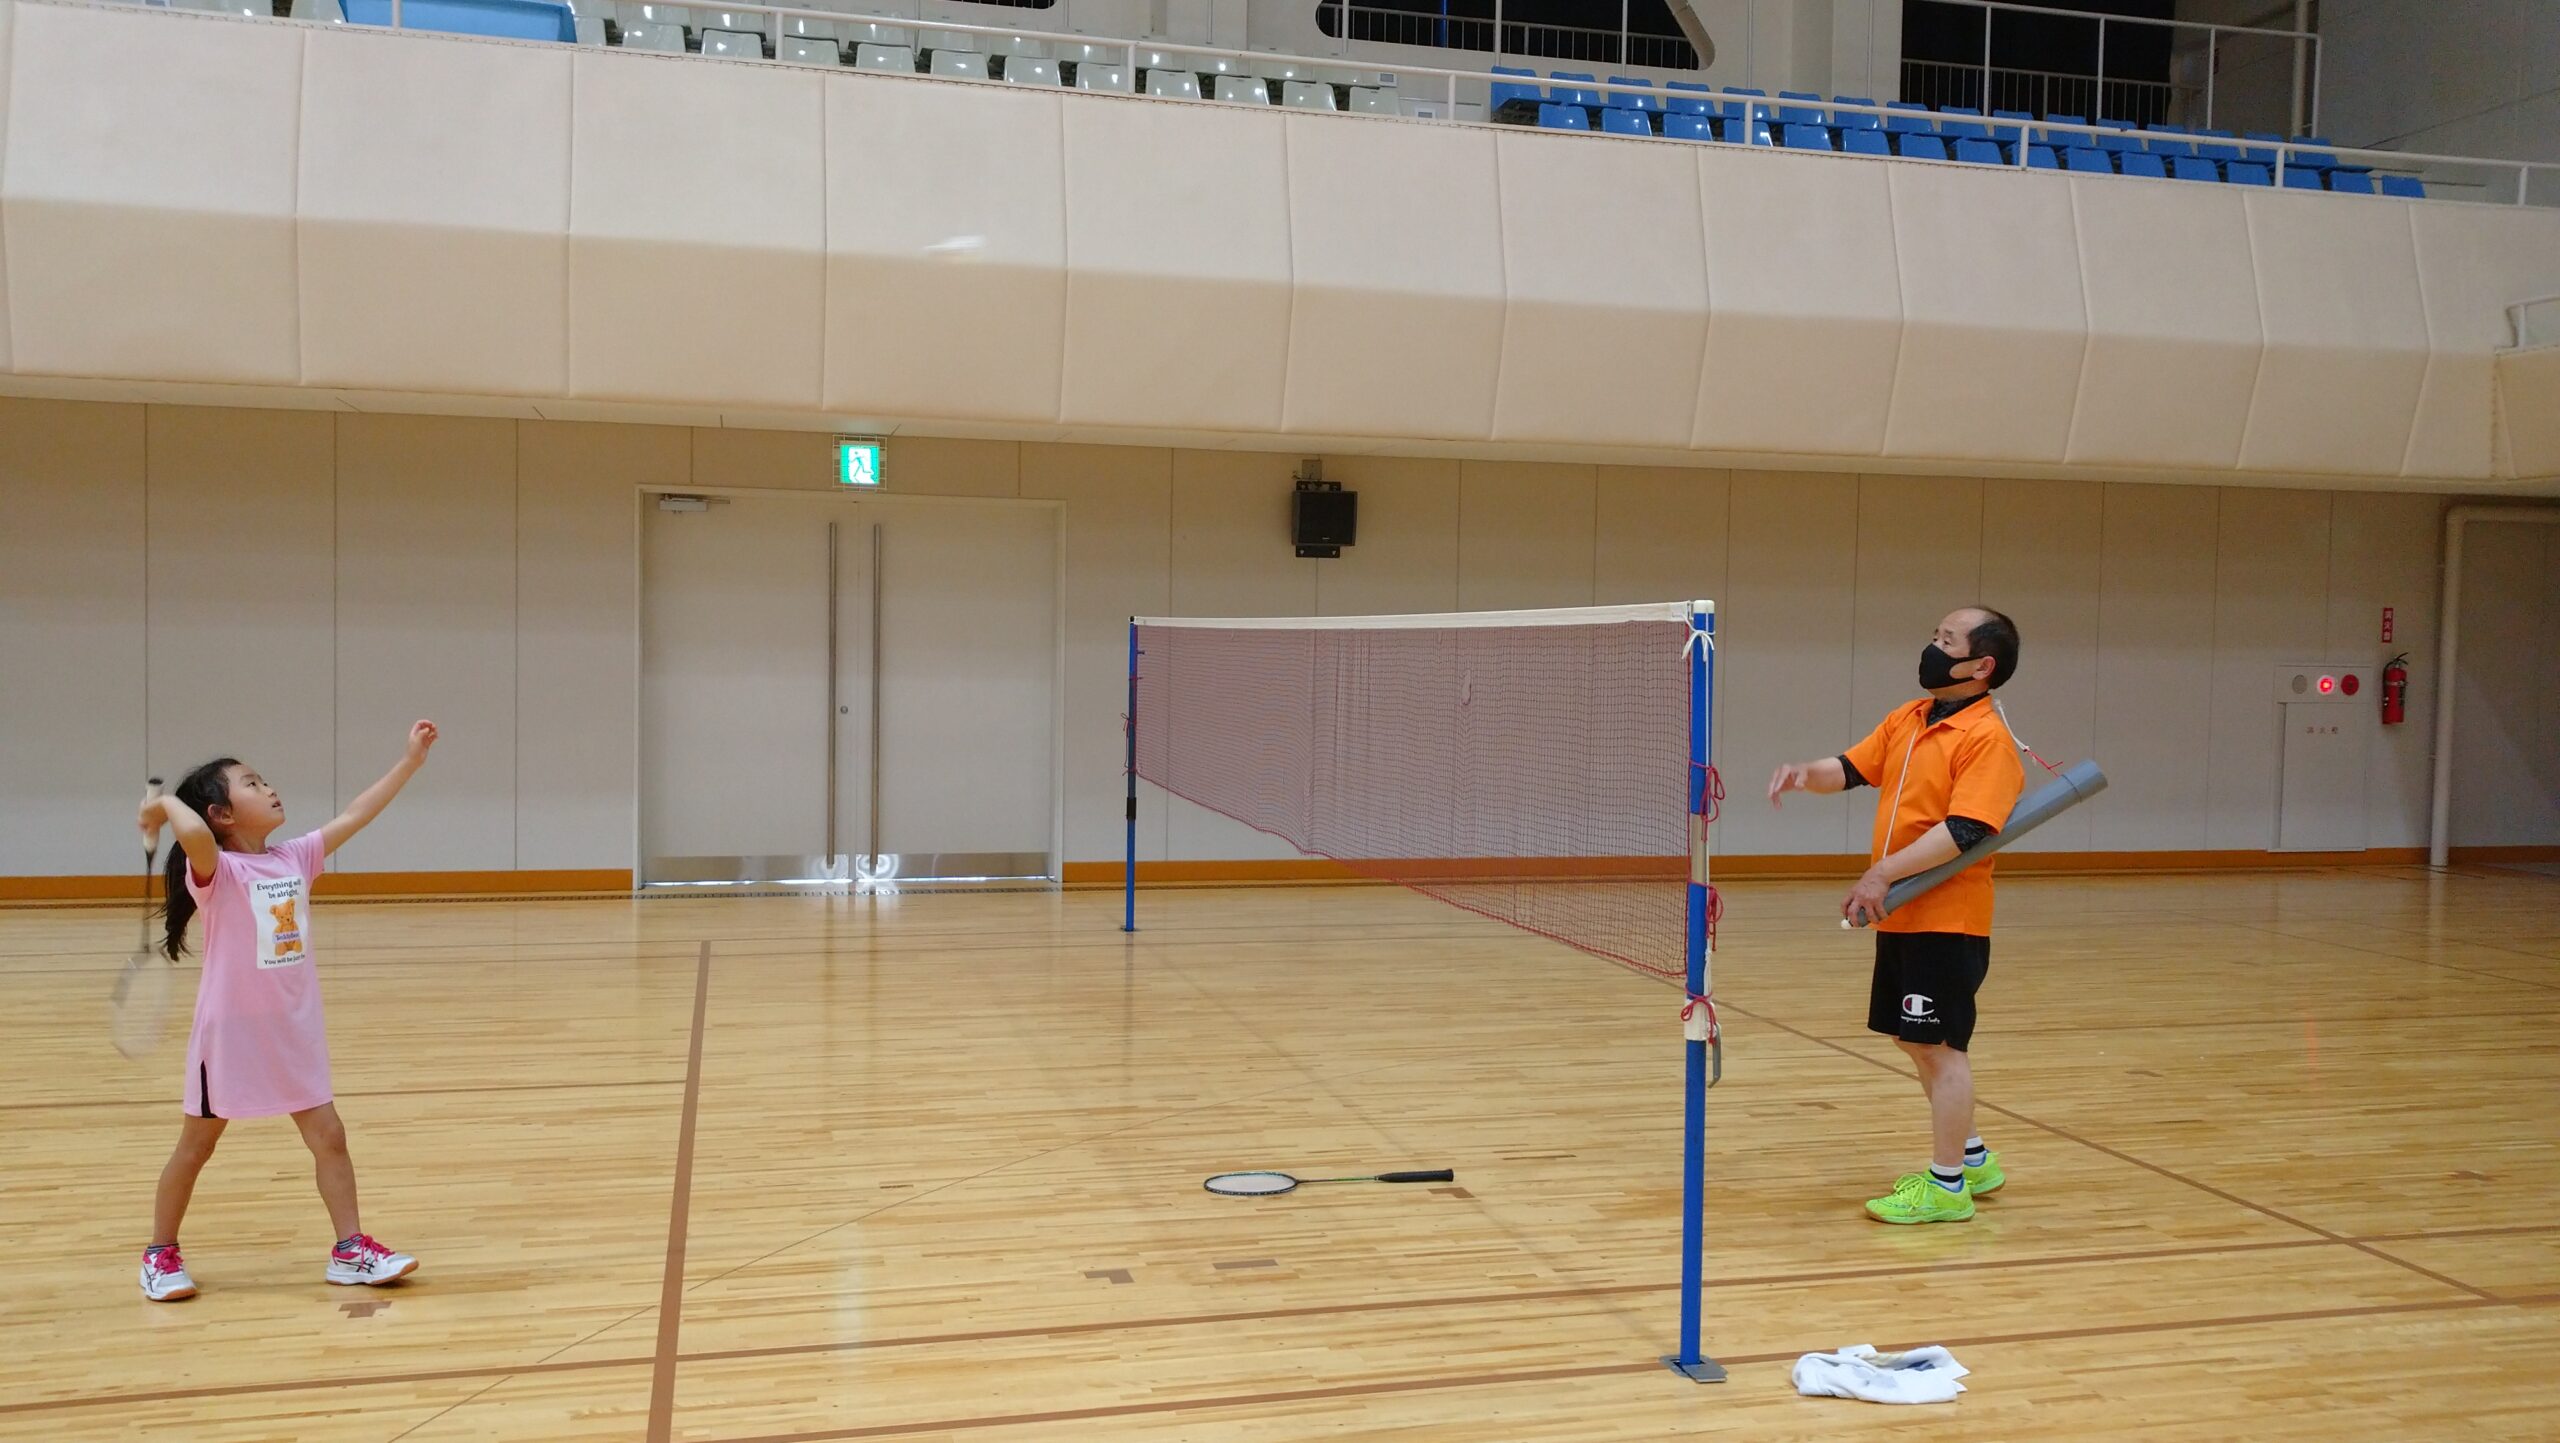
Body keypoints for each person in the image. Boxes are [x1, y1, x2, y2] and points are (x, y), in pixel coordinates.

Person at [134, 721, 439, 1301]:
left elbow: (356, 813)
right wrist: (165, 803)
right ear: (222, 814)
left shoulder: (295, 857)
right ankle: (160, 1253)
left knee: (330, 1136)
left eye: (265, 780)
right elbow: (194, 836)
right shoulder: (218, 871)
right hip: (229, 1038)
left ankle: (349, 1250)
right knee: (197, 1147)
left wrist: (409, 762)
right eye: (251, 784)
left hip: (292, 1033)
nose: (269, 788)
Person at [1768, 609, 2024, 1225]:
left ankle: (1947, 1187)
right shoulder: (1910, 718)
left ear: (1981, 665)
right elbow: (1851, 768)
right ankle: (1973, 1158)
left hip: (1948, 918)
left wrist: (1882, 873)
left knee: (1940, 1048)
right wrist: (1806, 775)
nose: (1931, 648)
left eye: (1946, 641)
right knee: (1914, 1039)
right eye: (1934, 637)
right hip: (1903, 915)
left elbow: (1965, 830)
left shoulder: (1987, 740)